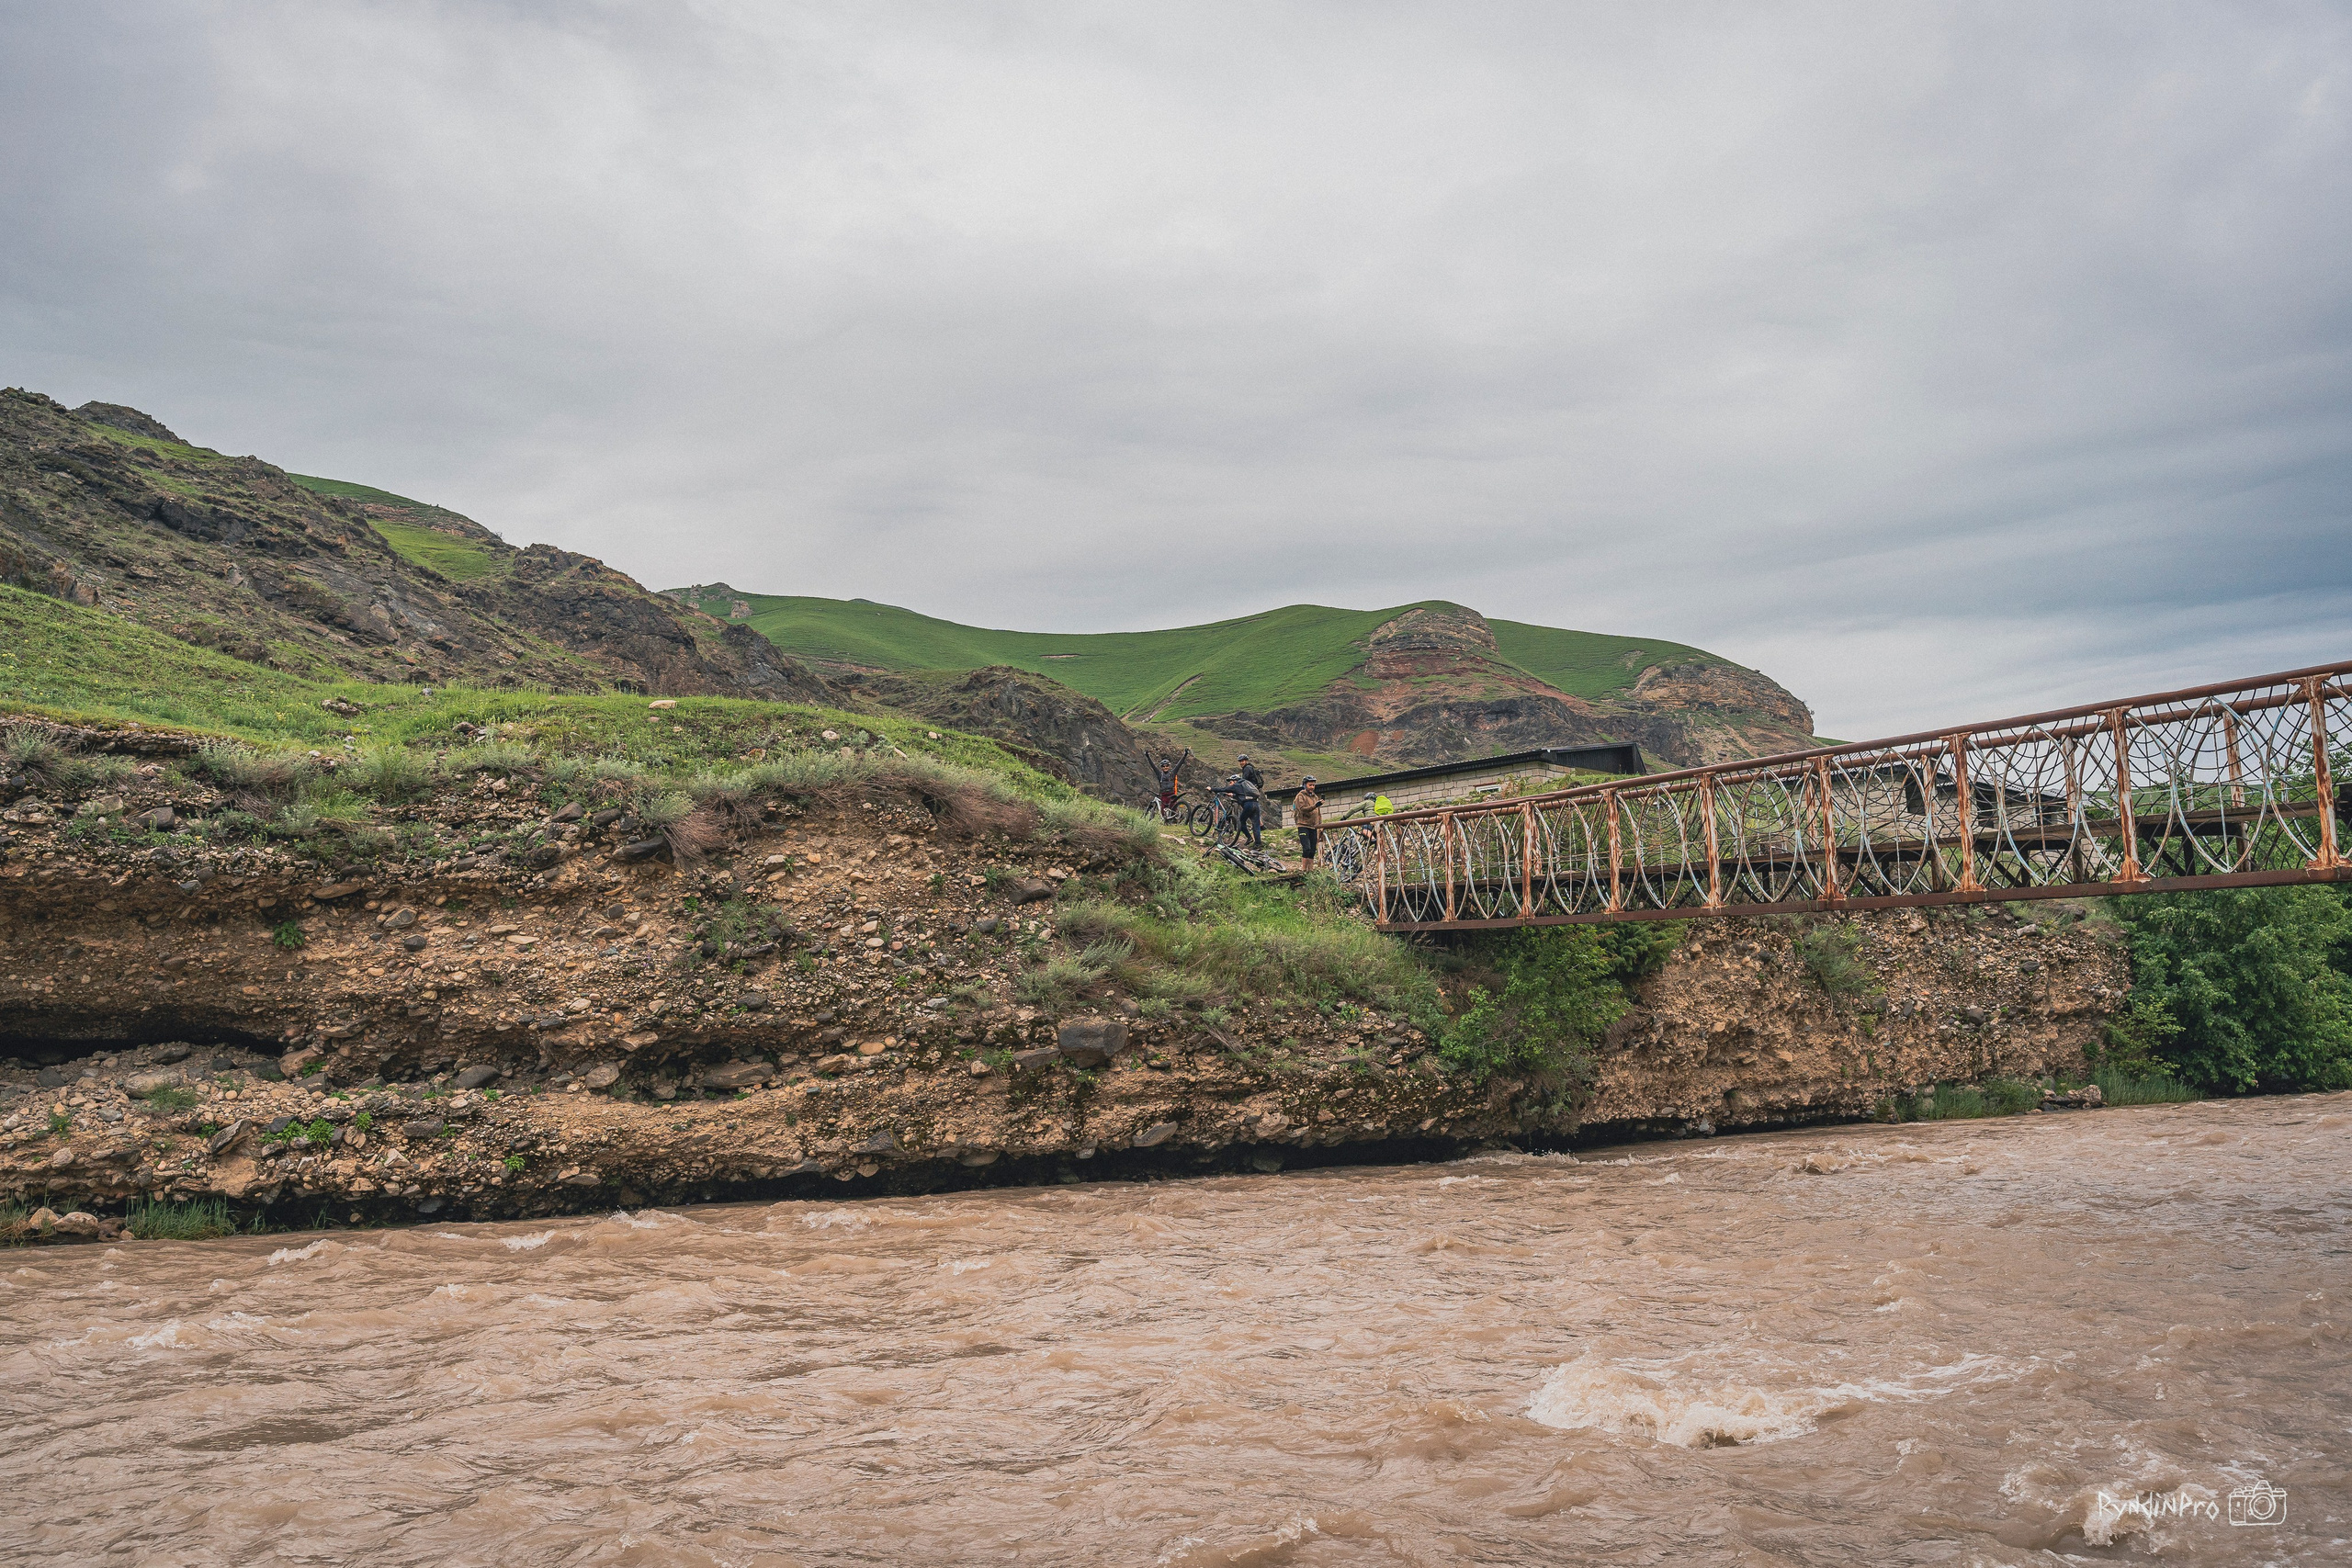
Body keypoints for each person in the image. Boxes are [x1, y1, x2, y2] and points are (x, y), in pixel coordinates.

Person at [1214, 771, 1264, 848]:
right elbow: (1241, 794)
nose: (1230, 784)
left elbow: (1224, 789)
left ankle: (1249, 837)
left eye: (1230, 782)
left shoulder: (1236, 785)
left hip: (1248, 805)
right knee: (1256, 824)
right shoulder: (1244, 784)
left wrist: (1212, 788)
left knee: (1240, 822)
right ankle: (1258, 844)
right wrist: (1233, 795)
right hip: (1256, 804)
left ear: (1235, 781)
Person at [1293, 775, 1322, 868]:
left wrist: (1320, 824)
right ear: (1305, 785)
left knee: (1313, 850)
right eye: (1310, 785)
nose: (1312, 787)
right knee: (1307, 848)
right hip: (1303, 825)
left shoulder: (1315, 797)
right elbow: (1302, 809)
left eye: (1313, 785)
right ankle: (1304, 869)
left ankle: (1311, 870)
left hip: (1313, 826)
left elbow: (1318, 812)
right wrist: (1315, 806)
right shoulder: (1300, 796)